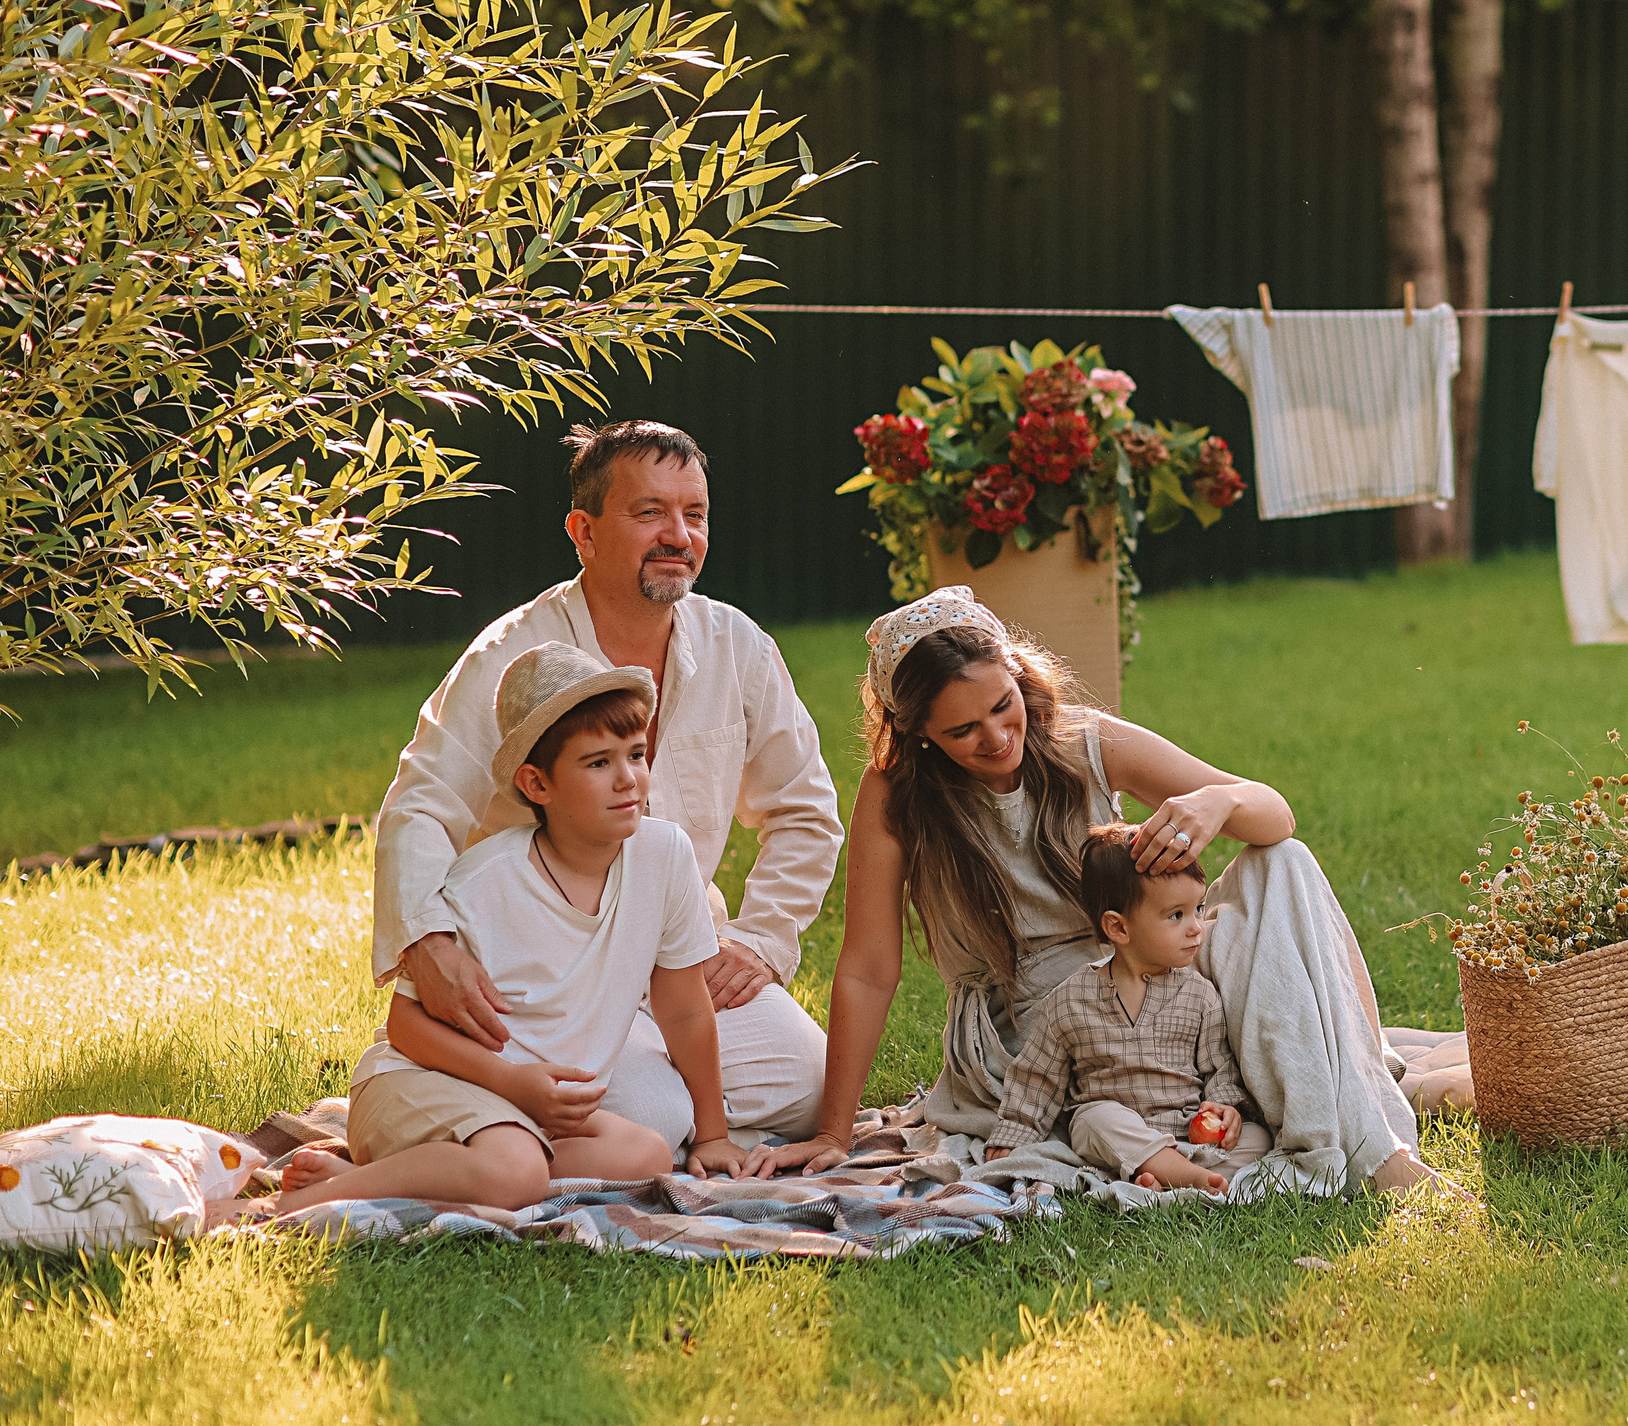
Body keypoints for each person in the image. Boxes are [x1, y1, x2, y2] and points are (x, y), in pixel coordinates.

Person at [740, 587, 1437, 1193]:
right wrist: (834, 1130)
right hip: (1042, 1019)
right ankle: (1363, 1136)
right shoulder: (895, 793)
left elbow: (1275, 815)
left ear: (1018, 676)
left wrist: (1217, 803)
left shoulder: (1085, 741)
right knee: (1299, 1003)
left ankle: (1363, 1144)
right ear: (918, 731)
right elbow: (867, 967)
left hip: (1148, 958)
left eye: (1002, 706)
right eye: (962, 729)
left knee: (1282, 861)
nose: (996, 736)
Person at [373, 422, 842, 1159]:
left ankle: (627, 1103)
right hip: (545, 979)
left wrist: (760, 940)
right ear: (584, 532)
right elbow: (420, 806)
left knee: (812, 1079)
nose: (678, 535)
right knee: (654, 1119)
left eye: (695, 514)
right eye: (650, 512)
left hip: (686, 969)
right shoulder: (510, 654)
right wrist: (427, 942)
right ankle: (541, 1107)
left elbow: (806, 810)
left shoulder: (738, 645)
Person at [273, 645, 751, 1213]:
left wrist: (714, 1133)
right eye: (598, 763)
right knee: (517, 1172)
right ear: (536, 784)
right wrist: (513, 1085)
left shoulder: (665, 855)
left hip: (524, 1111)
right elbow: (406, 1026)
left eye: (637, 754)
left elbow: (684, 1007)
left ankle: (411, 1174)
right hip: (424, 1083)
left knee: (646, 1155)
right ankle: (324, 1194)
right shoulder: (487, 881)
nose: (629, 780)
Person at [984, 822, 1269, 1194]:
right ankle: (1187, 1178)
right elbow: (1038, 1076)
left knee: (1258, 1138)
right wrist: (1015, 1131)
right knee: (1092, 1119)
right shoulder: (1071, 999)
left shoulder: (1200, 996)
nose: (1197, 928)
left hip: (1183, 1129)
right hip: (1114, 1128)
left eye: (1198, 909)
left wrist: (1222, 1107)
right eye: (1176, 915)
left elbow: (1218, 1066)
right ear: (1118, 928)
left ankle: (1158, 1175)